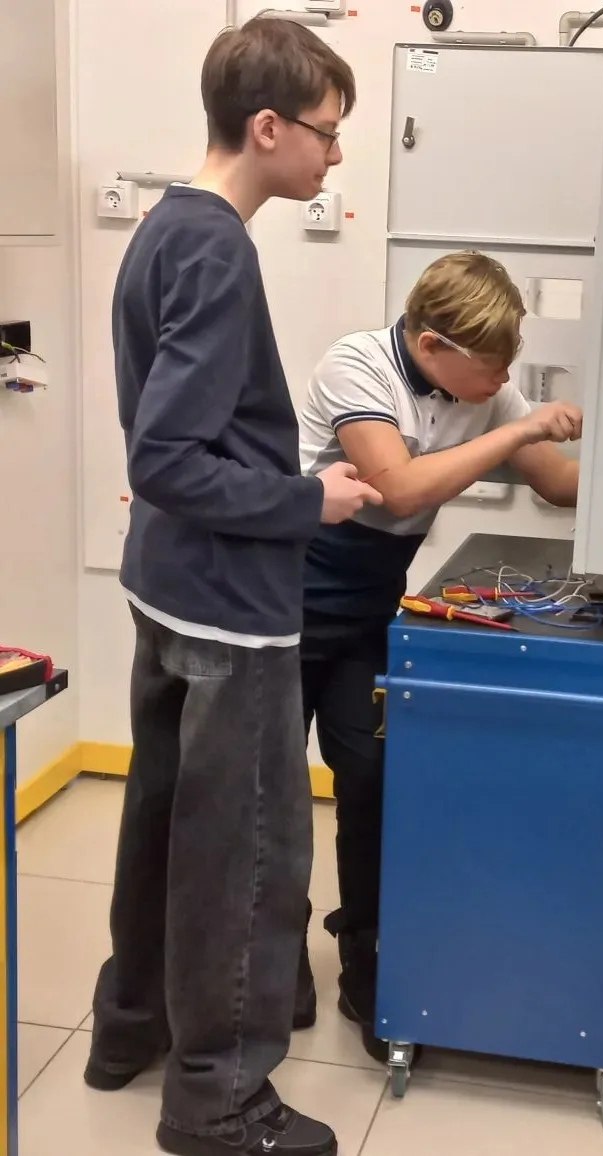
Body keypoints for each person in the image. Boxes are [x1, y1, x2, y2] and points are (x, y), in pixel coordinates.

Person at [85, 16, 381, 1156]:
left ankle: (131, 1023)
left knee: (164, 818)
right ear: (266, 127)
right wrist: (312, 500)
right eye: (326, 132)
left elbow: (174, 444)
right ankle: (218, 1100)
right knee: (249, 852)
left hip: (166, 584)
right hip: (228, 607)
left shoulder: (166, 225)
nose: (335, 155)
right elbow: (167, 457)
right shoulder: (217, 250)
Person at [294, 251, 583, 1060]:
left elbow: (555, 483)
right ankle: (273, 959)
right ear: (430, 345)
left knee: (372, 782)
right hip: (284, 606)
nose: (502, 381)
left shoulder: (484, 390)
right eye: (490, 366)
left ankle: (365, 959)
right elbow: (400, 489)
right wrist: (519, 427)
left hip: (364, 615)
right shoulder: (357, 366)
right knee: (271, 798)